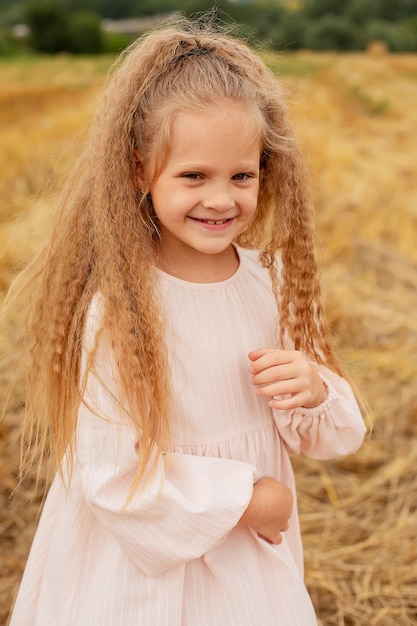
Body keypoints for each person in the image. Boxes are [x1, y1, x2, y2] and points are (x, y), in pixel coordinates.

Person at [8, 14, 366, 626]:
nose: (222, 199)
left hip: (245, 565)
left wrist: (314, 389)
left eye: (242, 176)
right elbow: (113, 476)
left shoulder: (271, 282)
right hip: (138, 575)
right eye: (194, 175)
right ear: (140, 170)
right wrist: (249, 500)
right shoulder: (121, 306)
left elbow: (335, 436)